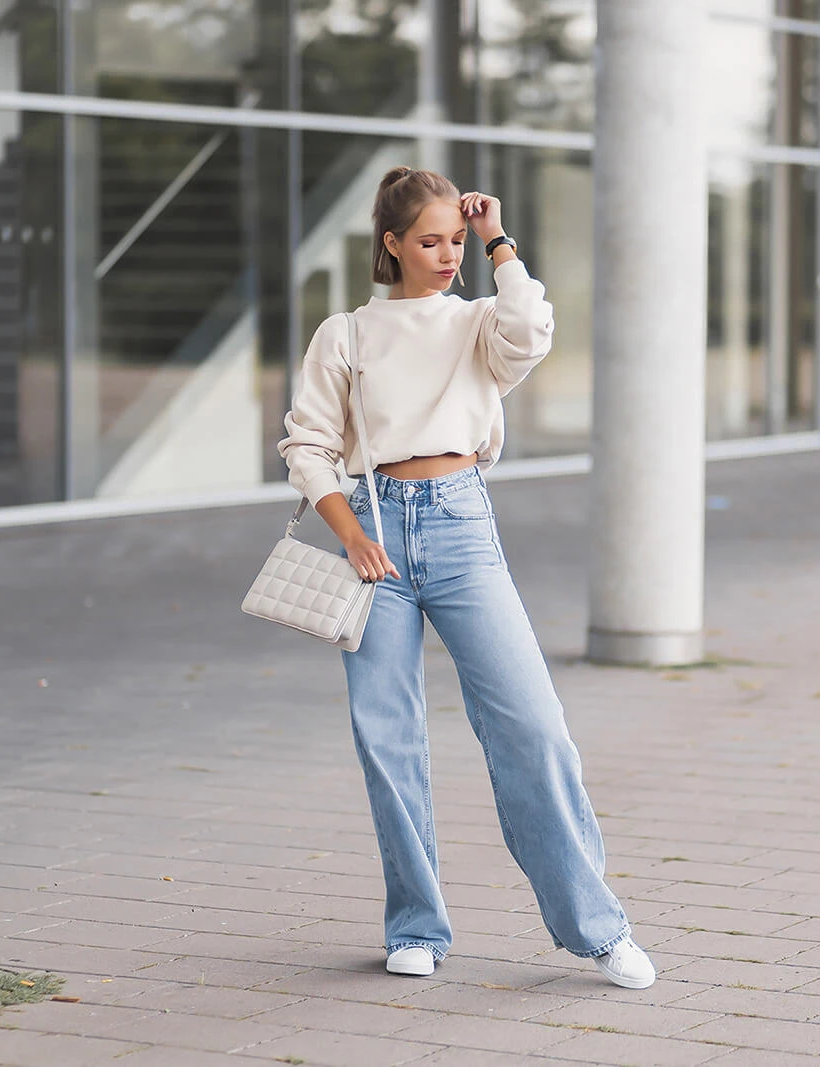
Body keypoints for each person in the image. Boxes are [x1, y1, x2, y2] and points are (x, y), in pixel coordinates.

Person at [278, 166, 655, 990]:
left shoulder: (481, 320)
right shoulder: (345, 334)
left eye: (456, 239)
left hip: (459, 525)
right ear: (391, 244)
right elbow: (308, 443)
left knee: (533, 725)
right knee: (388, 736)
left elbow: (532, 331)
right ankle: (415, 924)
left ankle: (596, 929)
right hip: (372, 526)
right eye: (430, 240)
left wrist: (498, 240)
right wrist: (349, 534)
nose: (447, 254)